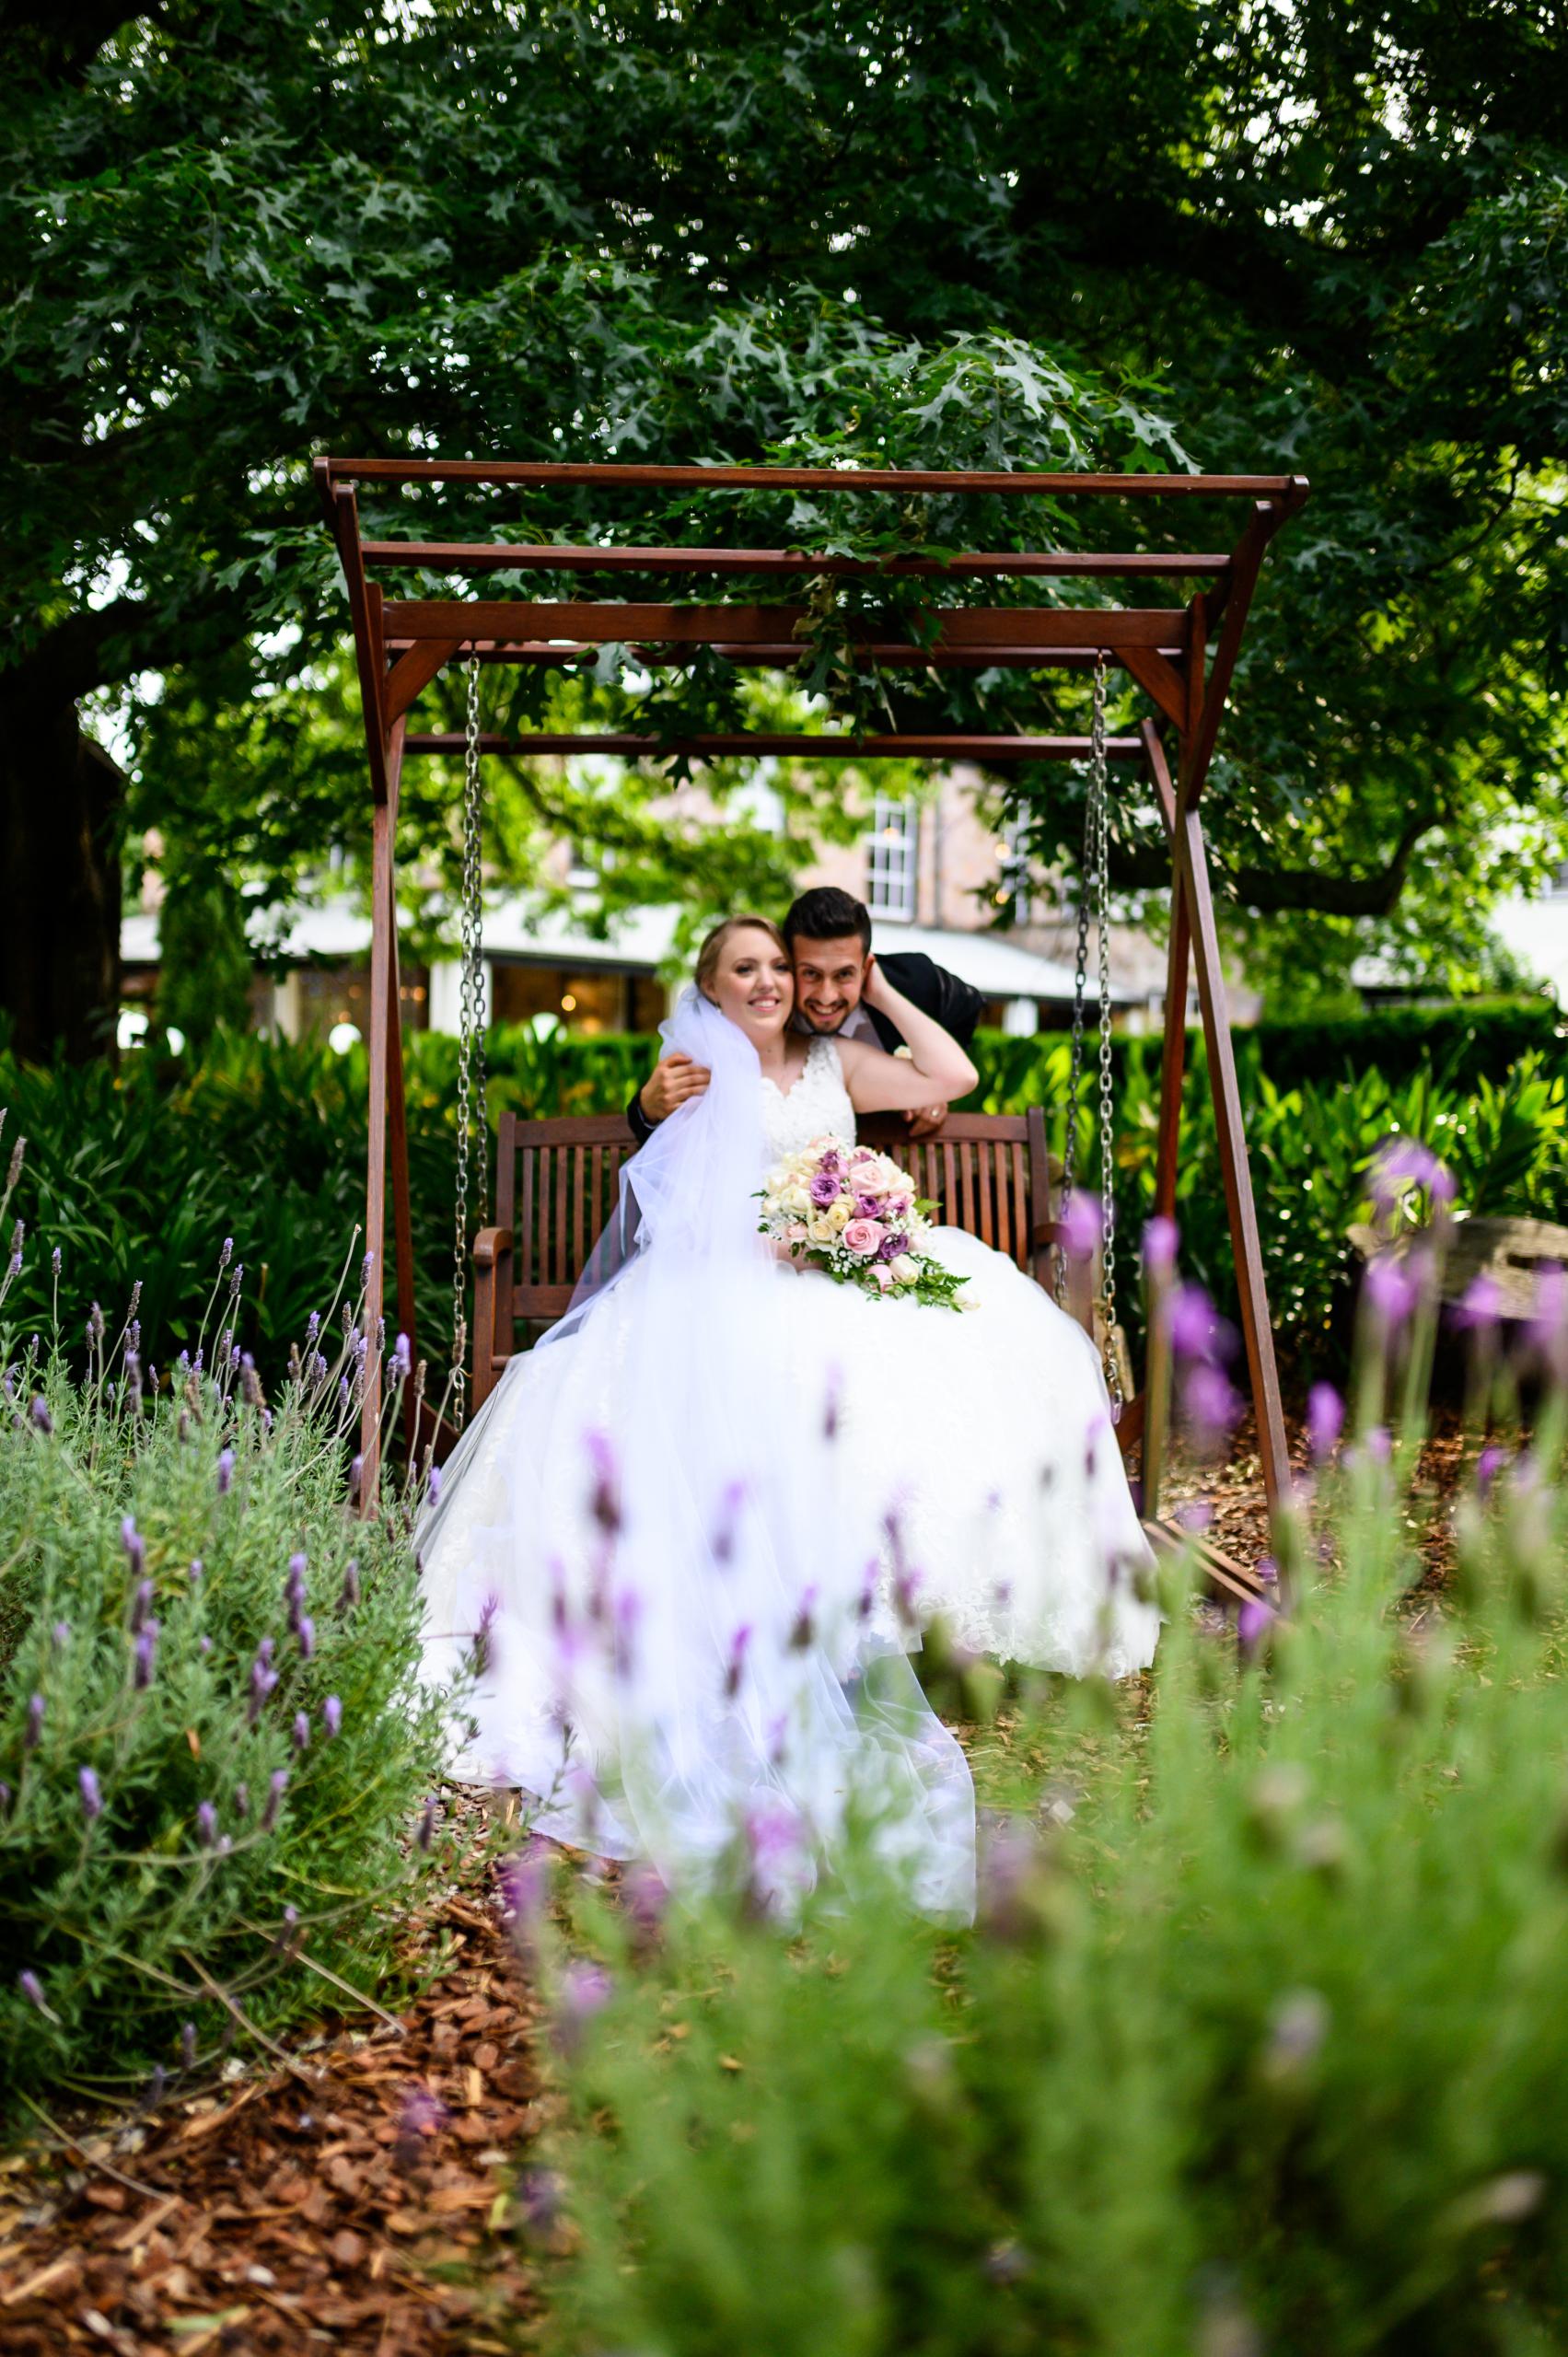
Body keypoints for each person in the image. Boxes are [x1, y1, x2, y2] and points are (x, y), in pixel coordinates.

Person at [417, 917, 1157, 1914]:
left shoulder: (839, 1060)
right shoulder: (692, 1069)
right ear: (711, 986)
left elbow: (949, 1079)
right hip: (722, 1292)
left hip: (834, 1281)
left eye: (780, 968)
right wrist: (721, 1196)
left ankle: (923, 1594)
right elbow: (670, 1213)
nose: (769, 983)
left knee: (971, 1353)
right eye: (747, 968)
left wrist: (878, 996)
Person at [626, 887, 984, 1149]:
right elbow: (665, 1106)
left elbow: (960, 1063)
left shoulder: (909, 984)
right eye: (808, 973)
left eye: (844, 974)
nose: (826, 996)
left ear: (866, 968)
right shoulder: (728, 1040)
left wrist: (883, 995)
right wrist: (646, 1108)